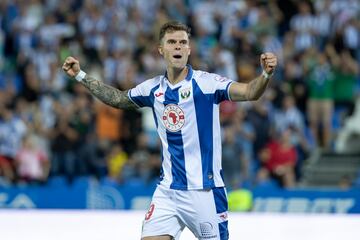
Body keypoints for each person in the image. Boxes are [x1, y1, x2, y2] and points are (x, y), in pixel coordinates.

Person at [62, 21, 277, 240]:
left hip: (204, 190)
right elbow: (117, 98)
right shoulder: (152, 88)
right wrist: (81, 76)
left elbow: (250, 92)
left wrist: (266, 75)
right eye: (172, 42)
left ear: (189, 49)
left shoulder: (207, 84)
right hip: (168, 191)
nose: (178, 47)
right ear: (161, 50)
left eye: (183, 42)